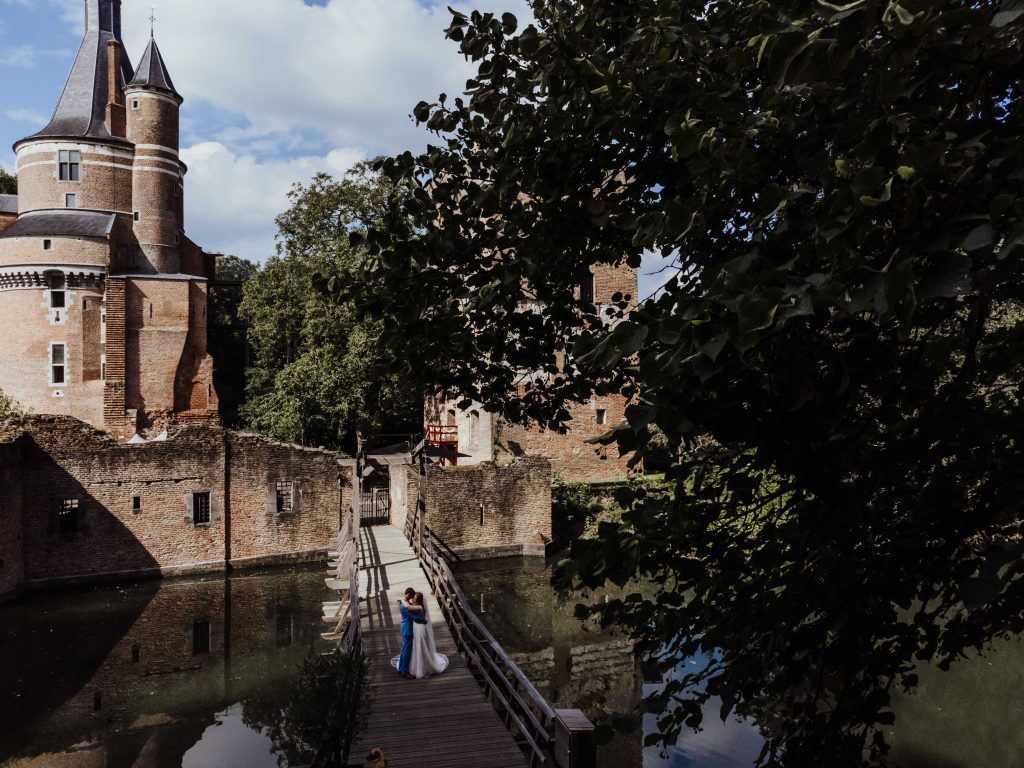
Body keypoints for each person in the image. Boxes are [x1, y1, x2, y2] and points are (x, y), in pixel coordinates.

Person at [408, 591, 449, 678]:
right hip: (416, 628)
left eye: (415, 598)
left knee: (422, 647)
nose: (413, 599)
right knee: (417, 647)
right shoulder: (417, 605)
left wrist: (403, 599)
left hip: (420, 629)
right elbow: (410, 603)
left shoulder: (419, 607)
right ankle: (419, 666)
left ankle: (425, 668)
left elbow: (407, 607)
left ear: (418, 600)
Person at [393, 587, 426, 680]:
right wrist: (424, 620)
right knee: (407, 651)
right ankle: (405, 672)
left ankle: (401, 669)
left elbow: (409, 604)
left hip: (403, 628)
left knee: (403, 650)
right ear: (408, 594)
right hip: (407, 630)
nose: (412, 598)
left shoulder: (402, 602)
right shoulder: (405, 607)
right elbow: (415, 618)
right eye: (412, 596)